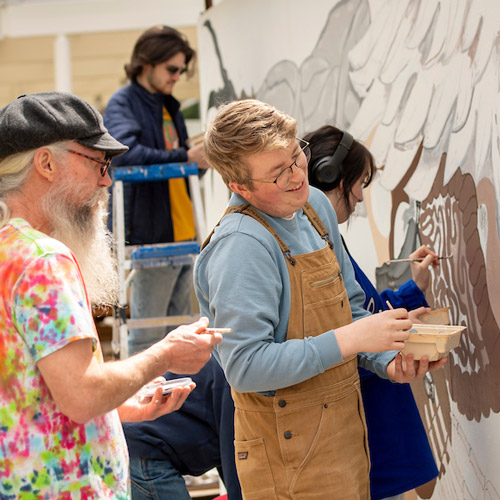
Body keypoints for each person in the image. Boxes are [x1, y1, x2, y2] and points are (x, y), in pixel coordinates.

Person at [194, 99, 447, 500]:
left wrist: (388, 361)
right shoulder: (241, 247)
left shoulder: (313, 208)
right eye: (278, 174)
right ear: (239, 186)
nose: (297, 177)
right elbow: (245, 366)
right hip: (288, 455)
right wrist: (352, 341)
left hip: (344, 434)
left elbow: (351, 305)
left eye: (297, 156)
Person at [0, 91, 221, 499]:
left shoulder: (10, 250)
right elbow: (82, 395)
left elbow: (35, 396)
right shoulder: (42, 258)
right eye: (98, 162)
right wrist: (166, 355)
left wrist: (123, 407)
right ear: (45, 163)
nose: (107, 179)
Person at [304, 124, 439, 500]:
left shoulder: (325, 237)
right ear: (331, 175)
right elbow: (344, 327)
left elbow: (362, 311)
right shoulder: (311, 245)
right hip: (364, 407)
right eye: (361, 181)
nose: (361, 196)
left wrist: (413, 290)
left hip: (374, 399)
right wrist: (397, 325)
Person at [103, 25, 209, 355]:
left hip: (181, 231)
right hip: (152, 235)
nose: (178, 76)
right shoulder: (123, 102)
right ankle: (145, 404)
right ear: (146, 63)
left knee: (178, 334)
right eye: (172, 68)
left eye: (181, 70)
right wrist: (186, 156)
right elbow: (123, 153)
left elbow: (173, 162)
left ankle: (174, 406)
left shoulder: (168, 105)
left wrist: (197, 160)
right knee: (150, 339)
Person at [123, 356, 242, 500]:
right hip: (145, 452)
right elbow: (236, 454)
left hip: (138, 445)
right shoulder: (236, 377)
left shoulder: (228, 361)